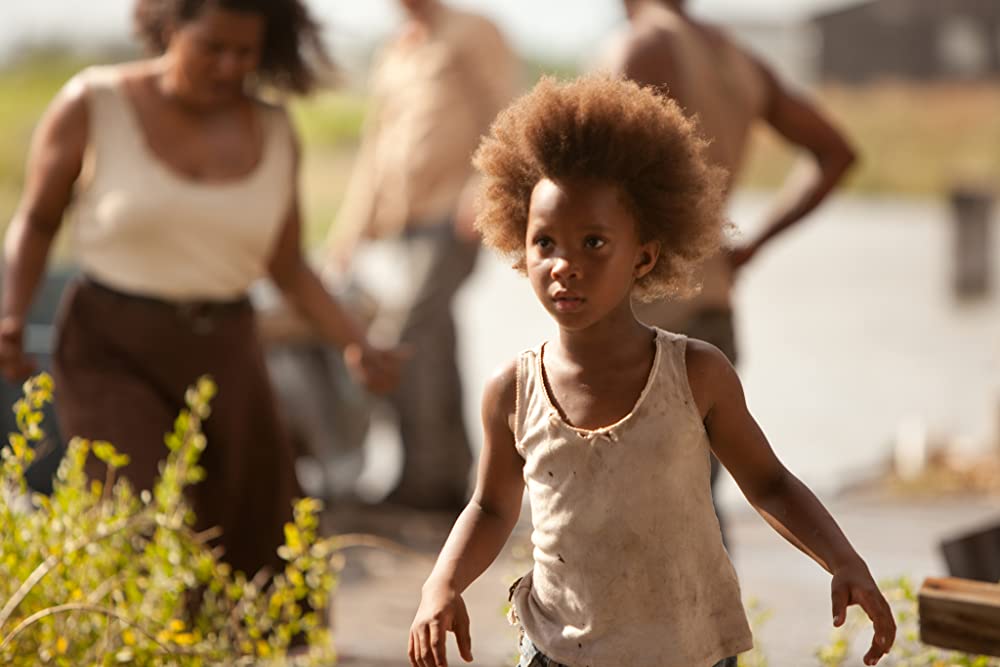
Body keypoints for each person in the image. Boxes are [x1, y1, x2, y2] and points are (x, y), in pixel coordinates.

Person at [407, 76, 895, 667]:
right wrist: (441, 585)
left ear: (644, 255)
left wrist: (843, 560)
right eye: (545, 243)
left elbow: (769, 484)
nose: (564, 265)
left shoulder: (695, 374)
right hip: (557, 651)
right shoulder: (512, 390)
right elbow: (489, 507)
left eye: (593, 243)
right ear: (520, 244)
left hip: (687, 649)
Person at [0, 0, 401, 579]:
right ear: (169, 26)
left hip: (227, 350)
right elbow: (37, 222)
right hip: (110, 346)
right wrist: (12, 313)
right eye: (213, 48)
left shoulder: (273, 128)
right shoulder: (94, 102)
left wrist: (354, 340)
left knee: (258, 537)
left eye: (246, 52)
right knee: (138, 518)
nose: (230, 66)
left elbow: (287, 265)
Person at [602, 0, 858, 542]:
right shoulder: (738, 59)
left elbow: (604, 184)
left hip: (645, 307)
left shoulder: (641, 46)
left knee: (630, 505)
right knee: (696, 502)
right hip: (712, 301)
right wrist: (749, 247)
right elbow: (835, 152)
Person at [327, 0, 519, 510]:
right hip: (404, 220)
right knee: (432, 343)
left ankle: (421, 478)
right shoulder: (396, 49)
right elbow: (376, 143)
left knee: (403, 337)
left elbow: (505, 112)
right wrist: (349, 231)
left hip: (452, 214)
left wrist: (482, 190)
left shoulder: (472, 31)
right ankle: (449, 478)